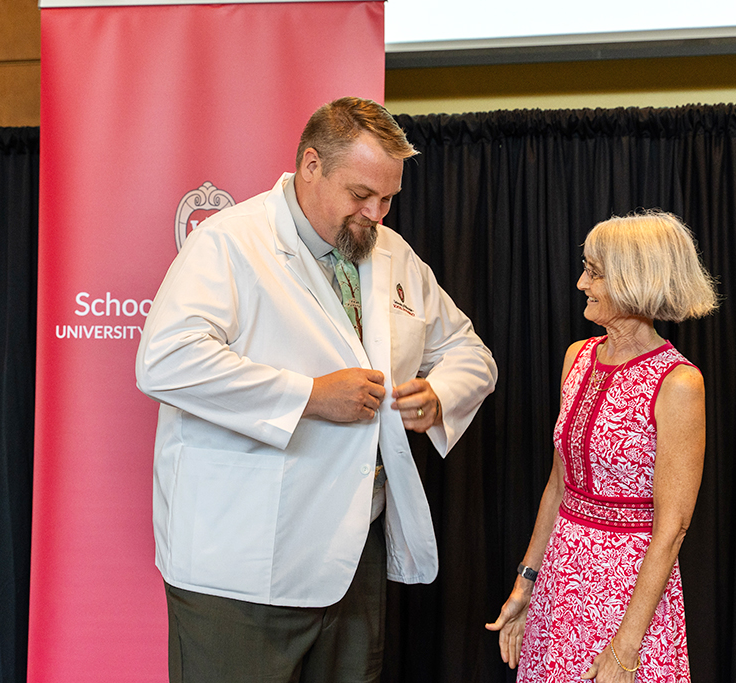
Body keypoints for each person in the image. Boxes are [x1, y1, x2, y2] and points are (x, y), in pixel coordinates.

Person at [136, 96, 497, 683]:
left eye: (388, 198)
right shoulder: (230, 243)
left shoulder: (395, 255)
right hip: (239, 569)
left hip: (351, 563)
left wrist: (439, 394)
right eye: (362, 195)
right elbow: (166, 361)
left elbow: (470, 353)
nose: (377, 213)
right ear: (310, 166)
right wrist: (308, 395)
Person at [487, 212, 717, 682]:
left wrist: (626, 649)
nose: (580, 283)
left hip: (630, 601)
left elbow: (672, 527)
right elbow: (558, 484)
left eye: (594, 272)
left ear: (635, 280)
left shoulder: (678, 383)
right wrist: (525, 582)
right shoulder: (578, 357)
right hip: (560, 583)